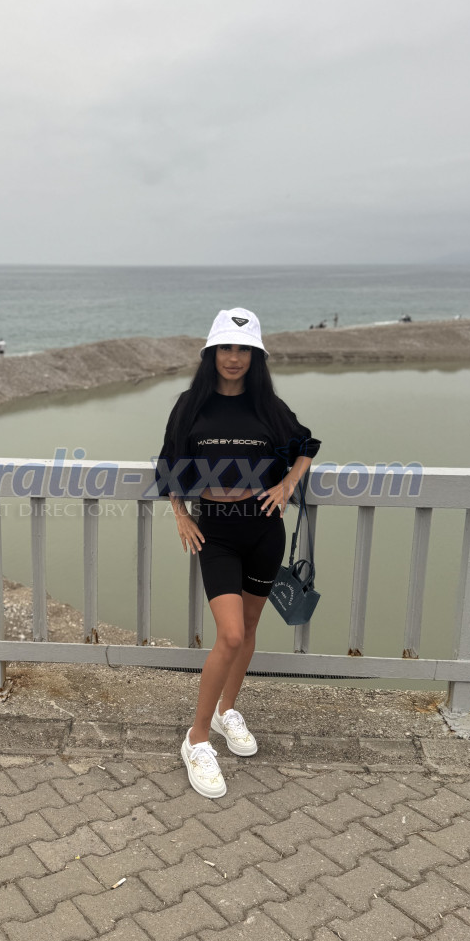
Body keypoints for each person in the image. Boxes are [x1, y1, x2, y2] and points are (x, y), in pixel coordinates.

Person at [153, 308, 322, 798]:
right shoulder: (191, 405)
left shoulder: (268, 405)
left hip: (264, 529)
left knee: (248, 629)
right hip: (217, 533)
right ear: (211, 353)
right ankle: (196, 739)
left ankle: (227, 711)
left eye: (244, 349)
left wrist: (287, 485)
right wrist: (180, 513)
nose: (234, 357)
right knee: (229, 633)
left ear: (255, 356)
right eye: (226, 348)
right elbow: (168, 463)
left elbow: (306, 445)